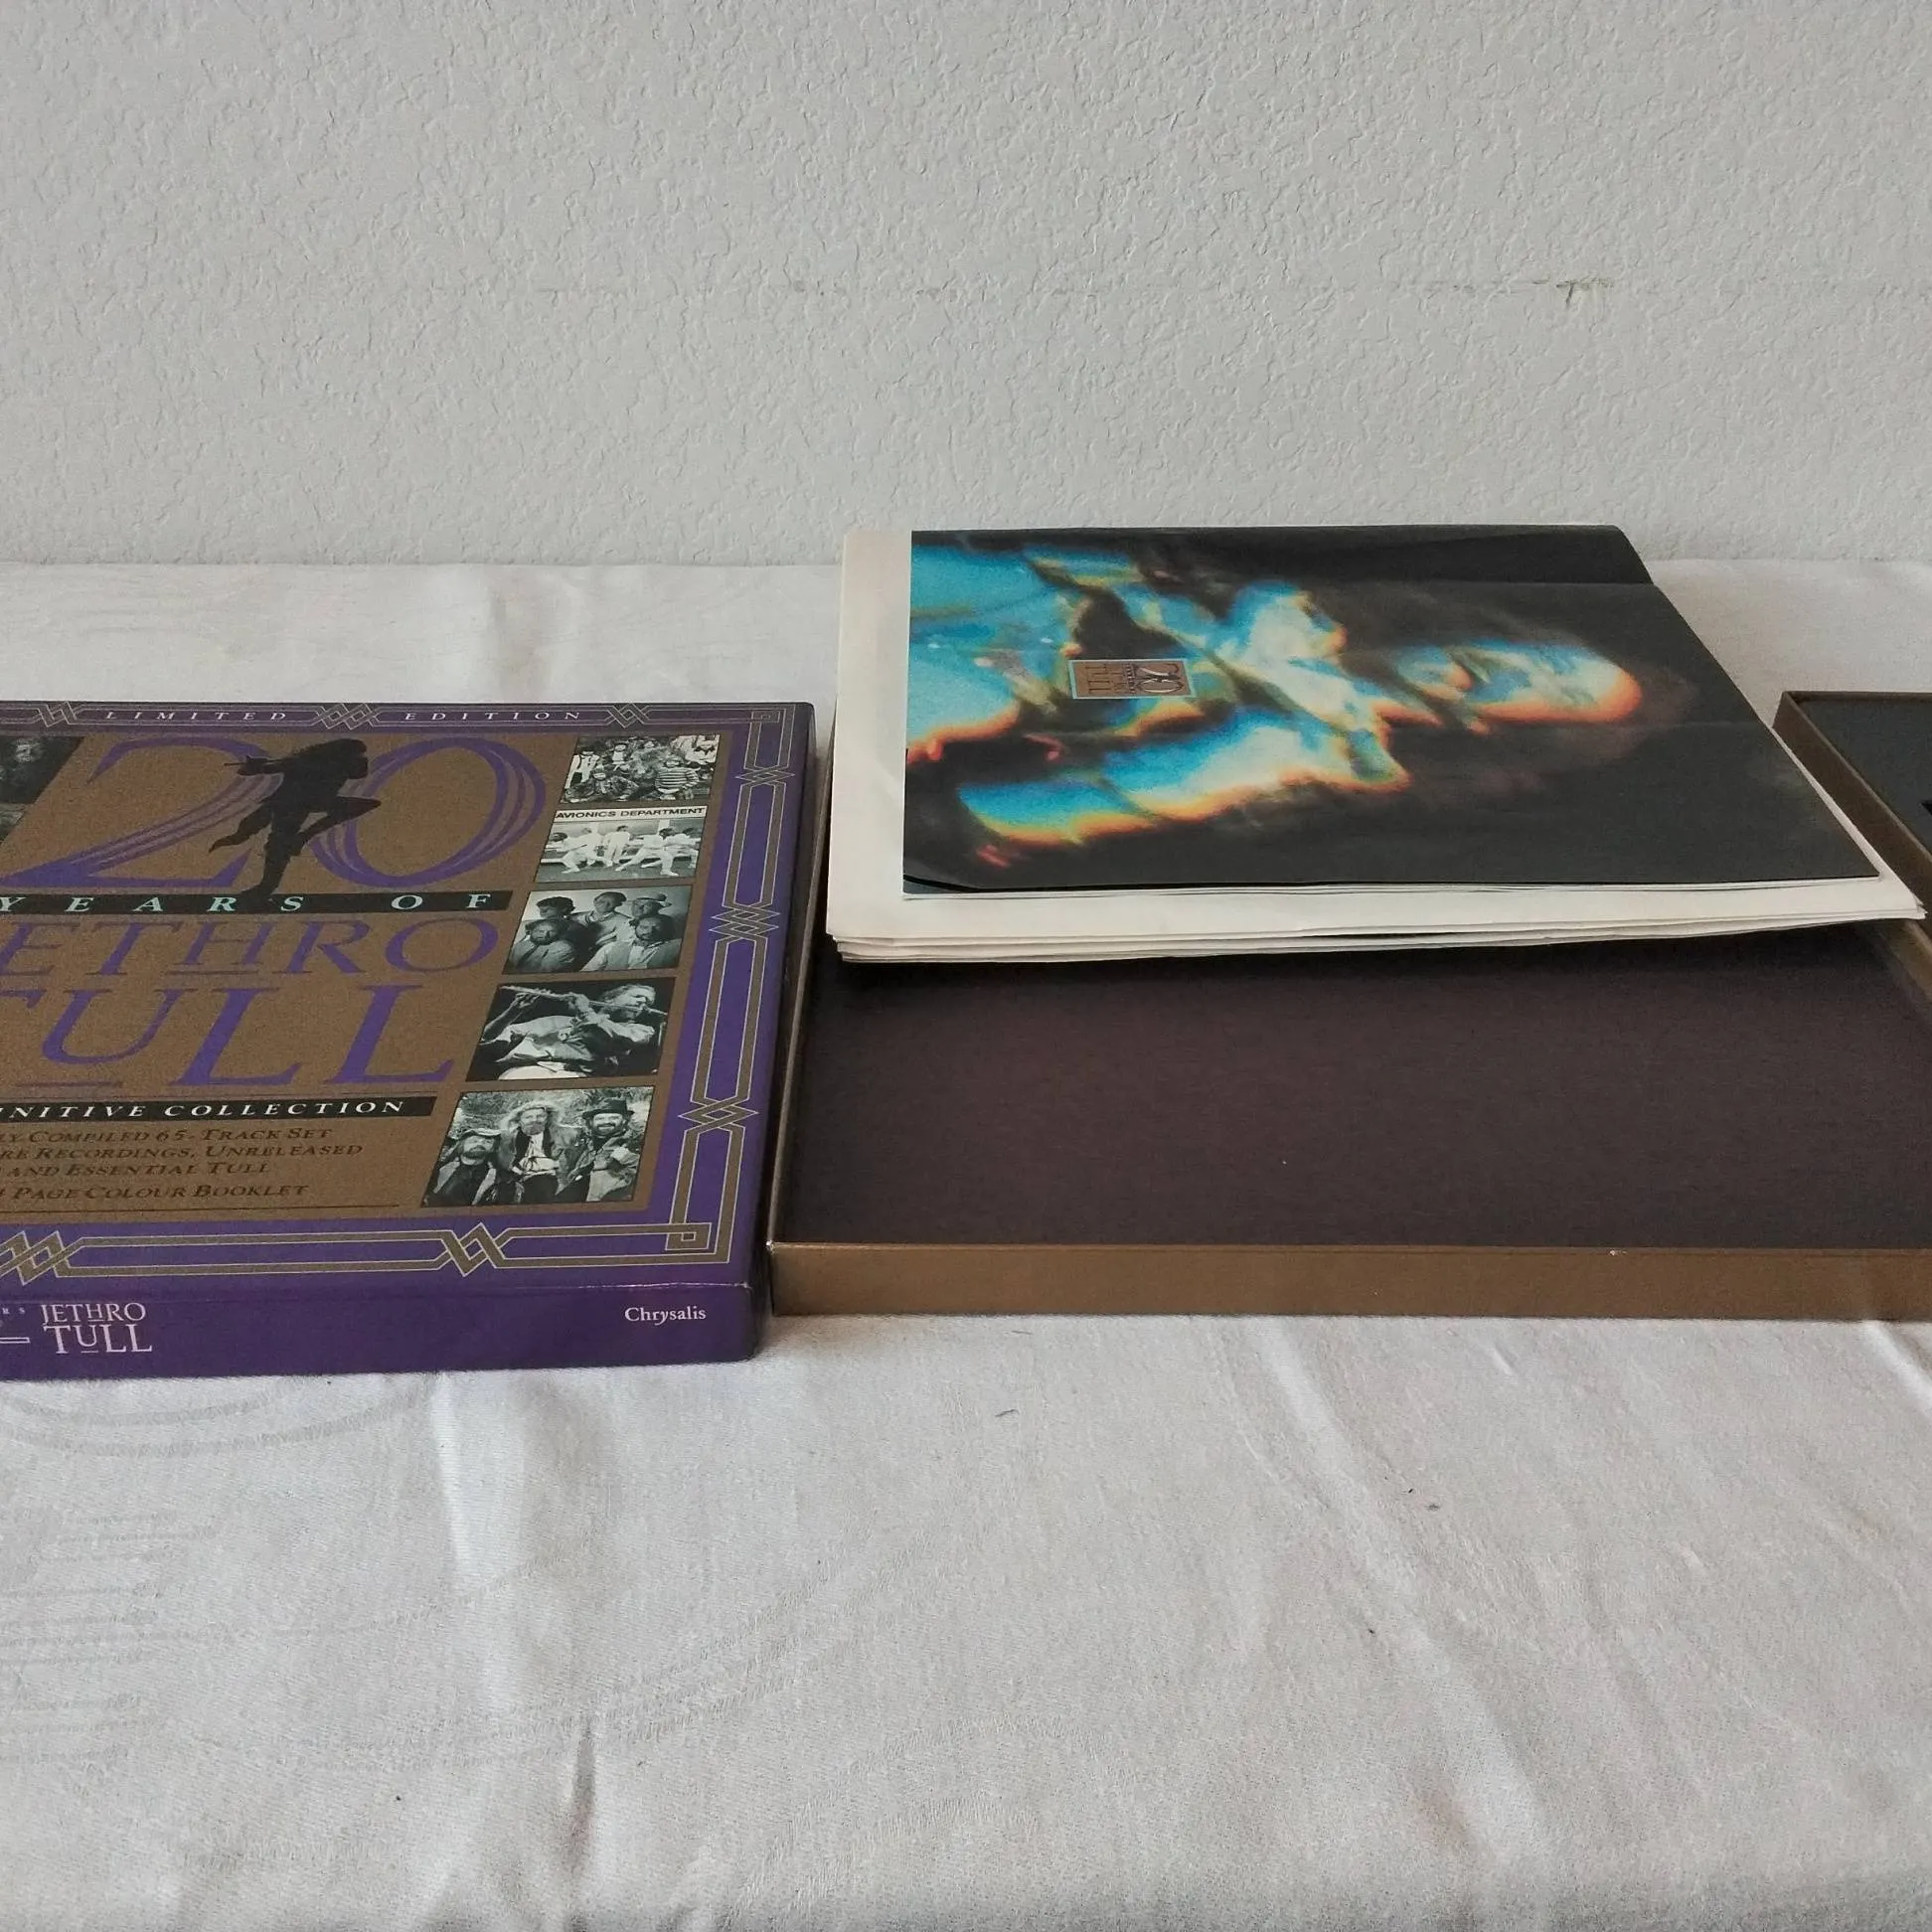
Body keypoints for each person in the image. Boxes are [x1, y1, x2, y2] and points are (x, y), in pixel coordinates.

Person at [208, 737, 381, 898]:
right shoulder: (302, 762)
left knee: (363, 805)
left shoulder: (340, 765)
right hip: (289, 804)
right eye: (356, 755)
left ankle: (302, 839)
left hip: (314, 801)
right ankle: (266, 885)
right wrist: (255, 766)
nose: (360, 759)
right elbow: (257, 770)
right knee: (272, 841)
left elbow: (360, 772)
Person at [474, 983, 664, 1080]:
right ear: (611, 998)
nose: (642, 1003)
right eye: (637, 996)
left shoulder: (640, 1030)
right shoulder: (556, 1020)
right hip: (525, 1071)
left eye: (647, 1002)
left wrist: (585, 1011)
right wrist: (512, 1012)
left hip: (578, 1078)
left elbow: (613, 1038)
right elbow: (487, 1040)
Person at [493, 1102, 585, 1204]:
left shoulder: (566, 1133)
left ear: (548, 1118)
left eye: (540, 1116)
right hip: (519, 1179)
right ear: (519, 1120)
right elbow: (504, 1161)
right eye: (528, 1117)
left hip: (553, 1178)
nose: (534, 1120)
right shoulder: (509, 1138)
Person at [556, 1107, 642, 1203]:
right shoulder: (581, 1143)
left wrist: (628, 1158)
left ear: (624, 1120)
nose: (606, 1122)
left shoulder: (636, 1143)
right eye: (600, 1118)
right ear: (591, 1122)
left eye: (614, 1118)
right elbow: (563, 1172)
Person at [585, 902, 682, 972]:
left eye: (657, 928)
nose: (649, 931)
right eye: (644, 927)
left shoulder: (676, 948)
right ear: (635, 928)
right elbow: (587, 971)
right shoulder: (611, 947)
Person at [425, 1129, 502, 1207]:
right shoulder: (438, 1169)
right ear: (461, 1145)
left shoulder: (499, 1178)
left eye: (488, 1142)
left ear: (493, 1148)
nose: (480, 1143)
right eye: (474, 1141)